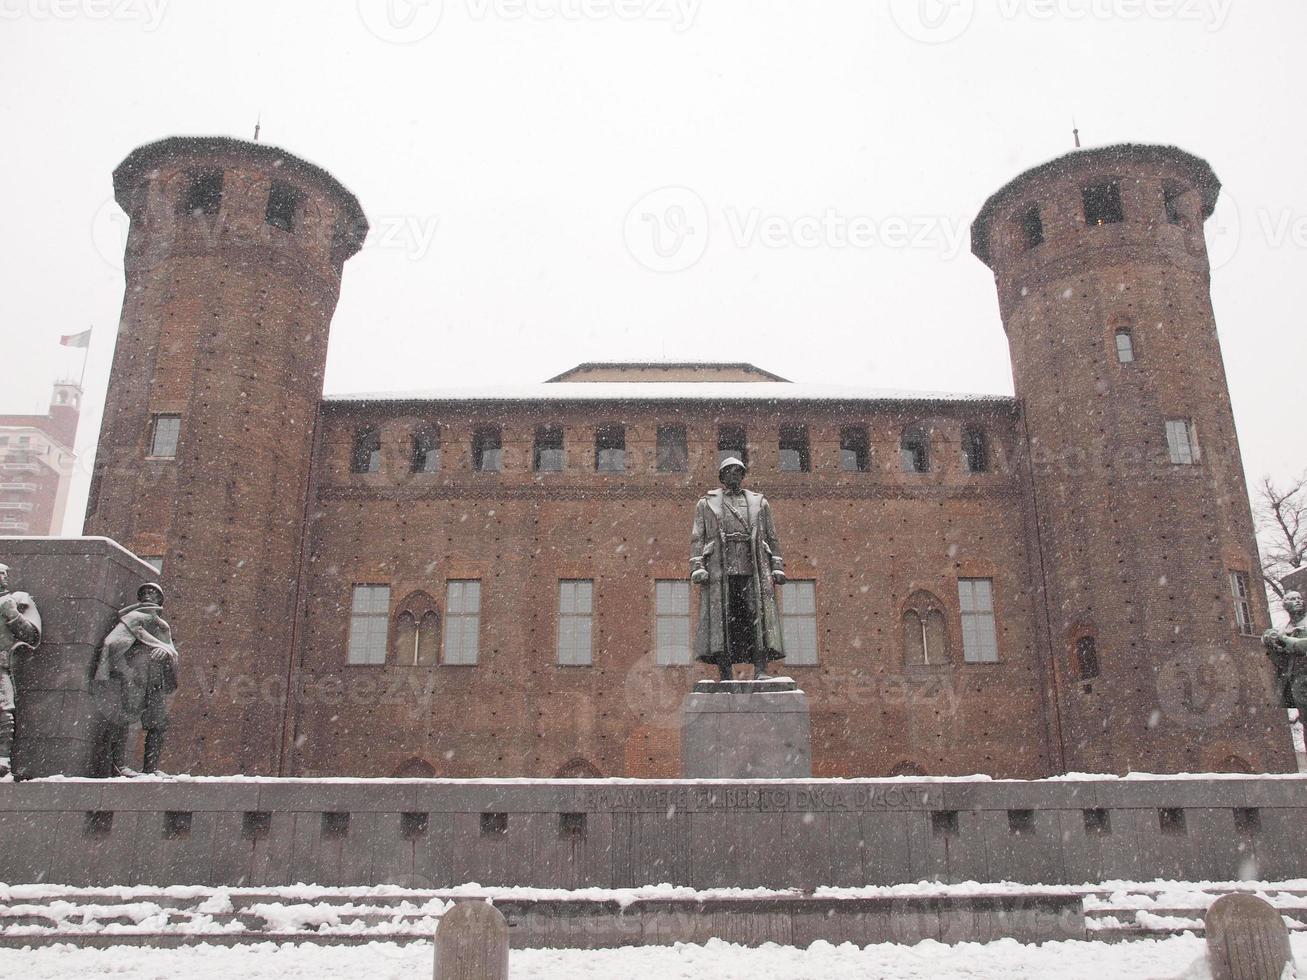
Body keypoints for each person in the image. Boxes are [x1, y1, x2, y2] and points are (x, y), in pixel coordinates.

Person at [690, 457, 787, 681]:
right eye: (728, 472)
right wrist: (697, 566)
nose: (733, 475)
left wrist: (777, 566)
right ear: (722, 477)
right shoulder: (706, 503)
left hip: (752, 566)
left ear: (743, 475)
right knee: (724, 619)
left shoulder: (759, 503)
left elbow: (771, 536)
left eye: (737, 471)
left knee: (757, 616)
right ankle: (725, 673)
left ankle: (761, 670)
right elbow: (697, 538)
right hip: (720, 569)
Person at [92, 582, 179, 776]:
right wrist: (125, 668)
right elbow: (111, 643)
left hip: (155, 679)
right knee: (124, 718)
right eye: (145, 592)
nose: (149, 594)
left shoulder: (162, 626)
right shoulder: (133, 618)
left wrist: (164, 652)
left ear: (160, 599)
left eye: (153, 592)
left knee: (158, 723)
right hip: (135, 675)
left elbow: (172, 652)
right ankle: (118, 765)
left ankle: (151, 768)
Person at [0, 562, 41, 778]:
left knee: (5, 710)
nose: (3, 578)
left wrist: (13, 615)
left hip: (1, 666)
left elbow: (30, 635)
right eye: (0, 574)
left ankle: (3, 758)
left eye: (5, 574)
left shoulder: (10, 602)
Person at [1264, 590, 1307, 713]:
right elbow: (1282, 662)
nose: (1298, 601)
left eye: (1299, 598)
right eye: (1293, 599)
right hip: (1297, 679)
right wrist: (1274, 647)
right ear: (1285, 606)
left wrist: (1286, 640)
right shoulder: (1286, 629)